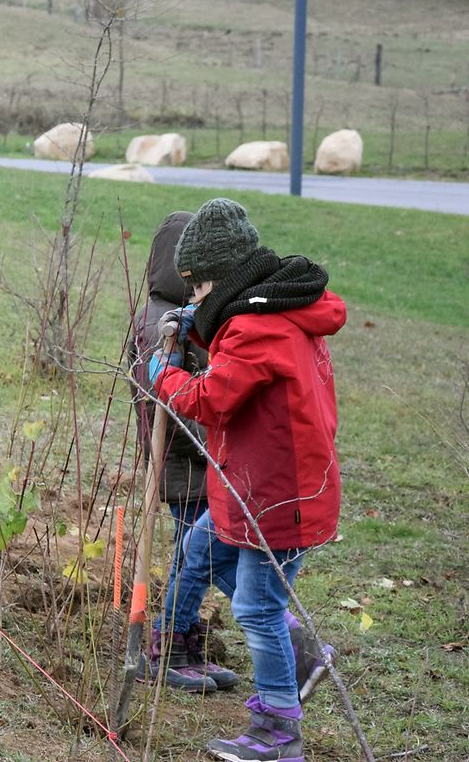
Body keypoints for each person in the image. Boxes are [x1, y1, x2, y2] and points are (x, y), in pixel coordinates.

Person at [149, 198, 345, 762]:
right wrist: (197, 325)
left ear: (222, 277)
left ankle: (278, 729)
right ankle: (303, 655)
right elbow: (242, 355)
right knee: (199, 548)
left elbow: (211, 397)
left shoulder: (256, 328)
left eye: (196, 289)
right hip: (266, 484)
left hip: (276, 498)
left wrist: (165, 374)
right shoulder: (273, 312)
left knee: (256, 608)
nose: (192, 299)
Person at [129, 211, 236, 695]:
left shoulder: (183, 316)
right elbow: (165, 393)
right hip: (181, 455)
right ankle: (166, 646)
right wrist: (216, 427)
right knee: (195, 555)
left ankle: (188, 642)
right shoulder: (163, 324)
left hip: (195, 456)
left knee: (198, 554)